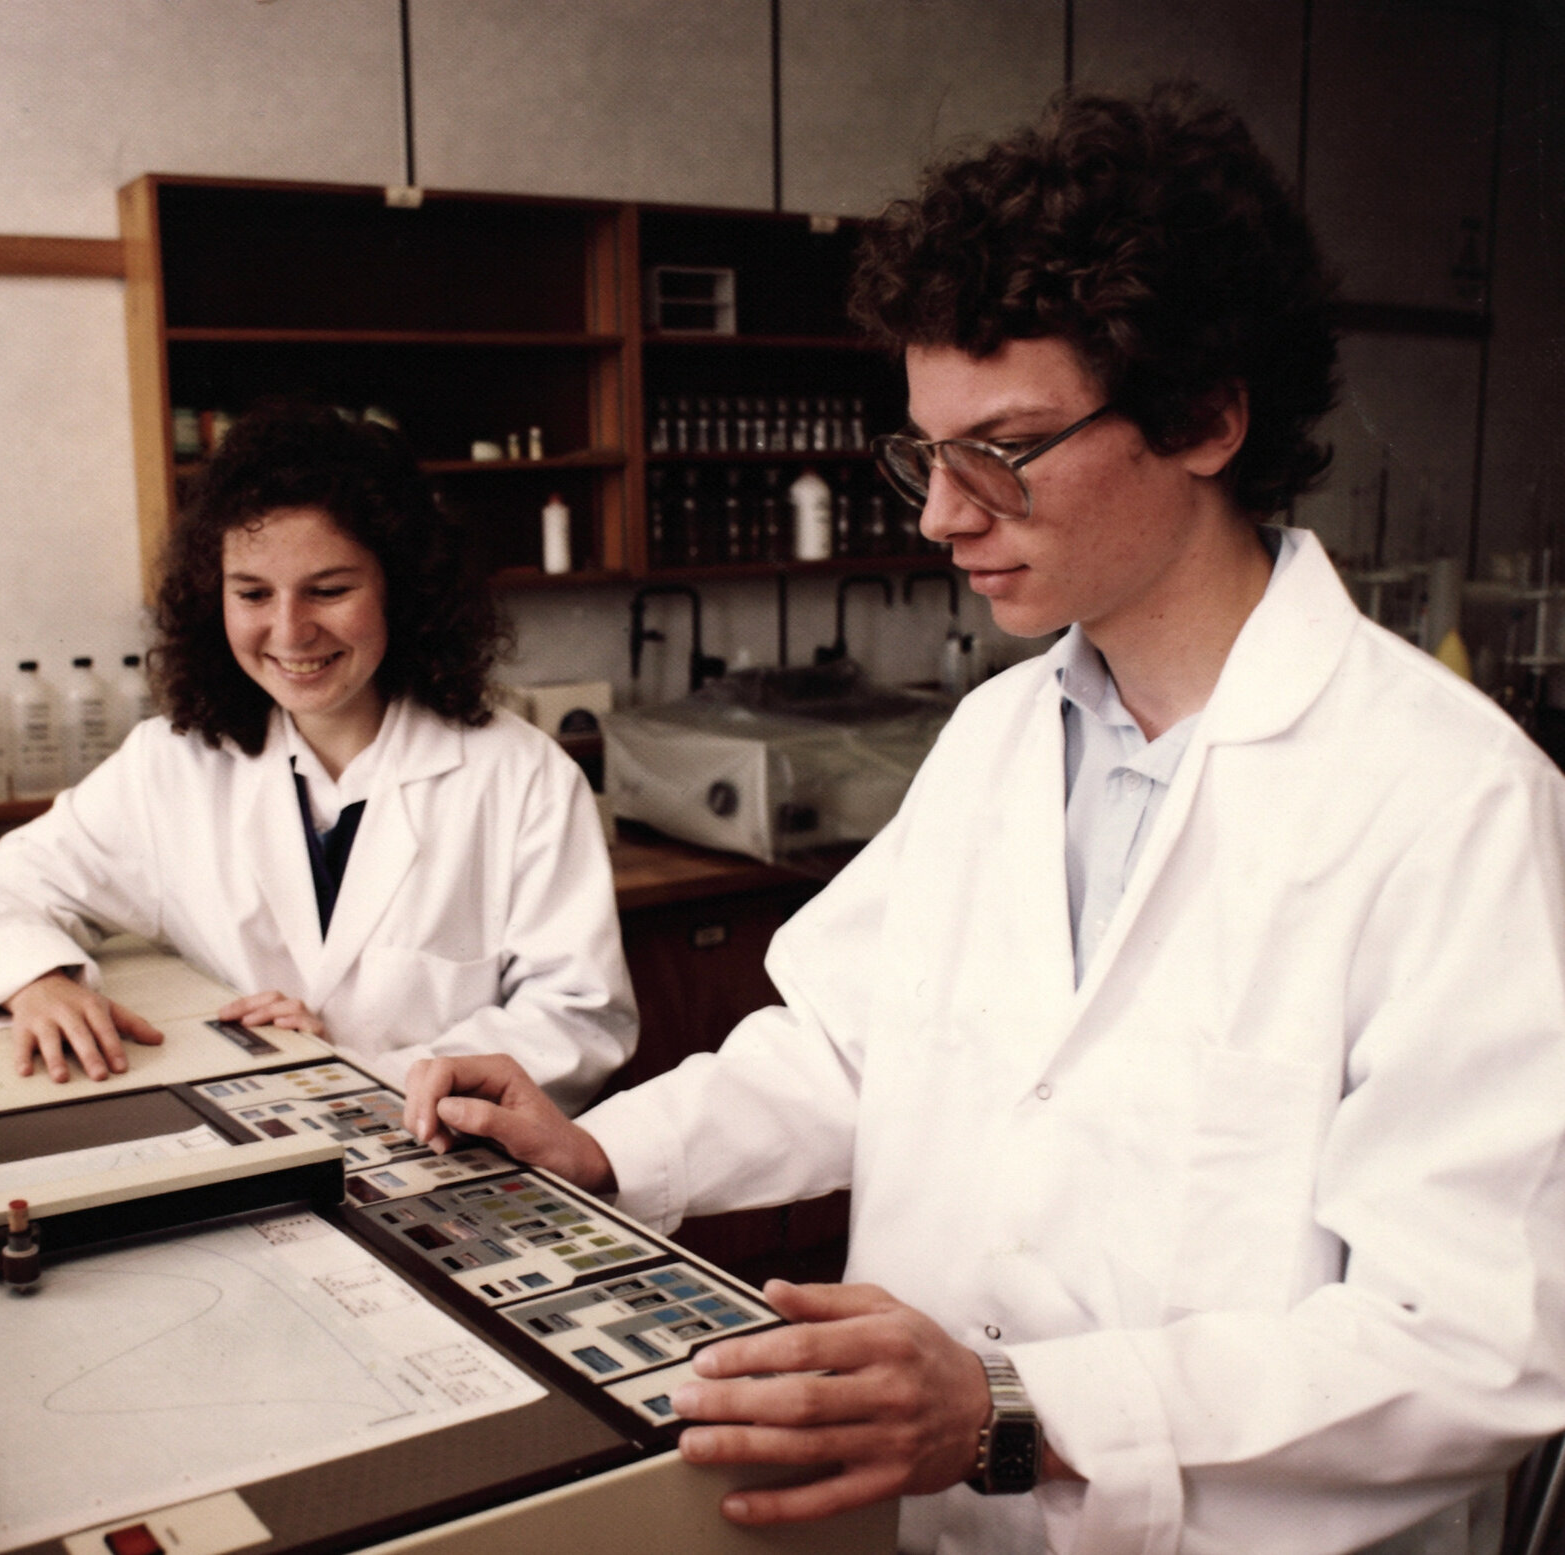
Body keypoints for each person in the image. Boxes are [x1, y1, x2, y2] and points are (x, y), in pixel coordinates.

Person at [406, 87, 1565, 1554]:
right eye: (925, 452)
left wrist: (1014, 1407)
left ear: (1206, 414)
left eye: (1002, 449)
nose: (942, 515)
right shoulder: (1005, 732)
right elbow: (847, 1041)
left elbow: (1473, 1339)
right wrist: (608, 1152)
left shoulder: (1446, 799)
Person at [0, 402, 636, 1104]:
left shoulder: (520, 778)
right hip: (249, 1147)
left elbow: (579, 1021)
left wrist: (350, 1069)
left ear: (403, 586)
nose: (289, 631)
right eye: (252, 593)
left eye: (328, 591)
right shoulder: (173, 765)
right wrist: (37, 981)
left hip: (444, 1151)